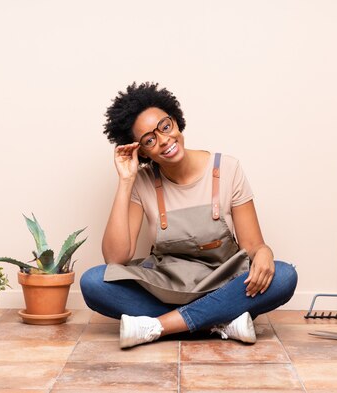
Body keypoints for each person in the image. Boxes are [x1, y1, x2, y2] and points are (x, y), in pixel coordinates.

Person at [80, 82, 298, 348]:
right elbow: (116, 258)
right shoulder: (143, 181)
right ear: (142, 151)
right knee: (92, 282)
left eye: (165, 126)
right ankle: (219, 320)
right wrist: (126, 180)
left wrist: (265, 252)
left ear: (176, 121)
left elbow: (253, 246)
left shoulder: (228, 168)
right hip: (167, 286)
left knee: (285, 276)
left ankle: (160, 326)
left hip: (224, 282)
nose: (164, 140)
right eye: (149, 140)